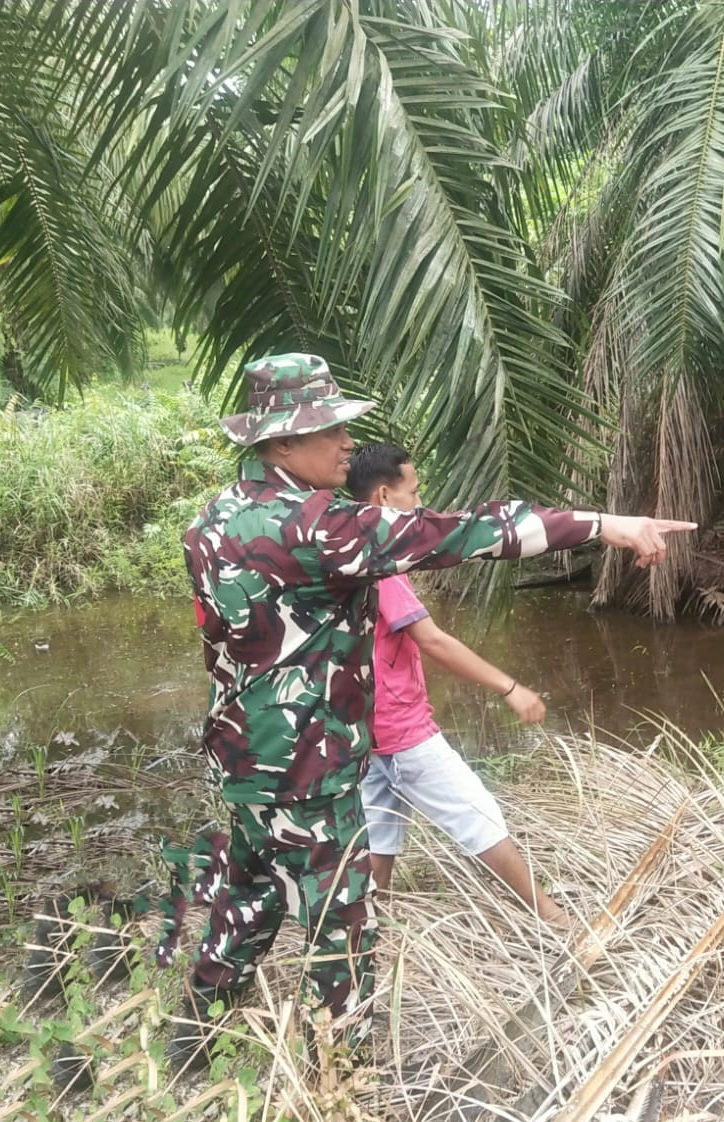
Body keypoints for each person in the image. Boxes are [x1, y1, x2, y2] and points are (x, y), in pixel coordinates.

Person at [164, 351, 694, 1071]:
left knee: (248, 902)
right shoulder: (319, 527)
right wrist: (605, 525)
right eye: (329, 431)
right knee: (341, 931)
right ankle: (341, 1079)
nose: (347, 445)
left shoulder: (213, 517)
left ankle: (191, 1050)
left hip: (246, 762)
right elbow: (461, 533)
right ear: (282, 443)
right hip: (311, 772)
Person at [346, 444, 565, 928]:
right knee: (479, 817)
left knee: (378, 834)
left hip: (366, 731)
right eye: (414, 493)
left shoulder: (344, 550)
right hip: (402, 732)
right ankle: (552, 917)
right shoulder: (380, 568)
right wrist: (510, 687)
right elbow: (434, 642)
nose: (420, 506)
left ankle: (365, 933)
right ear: (384, 496)